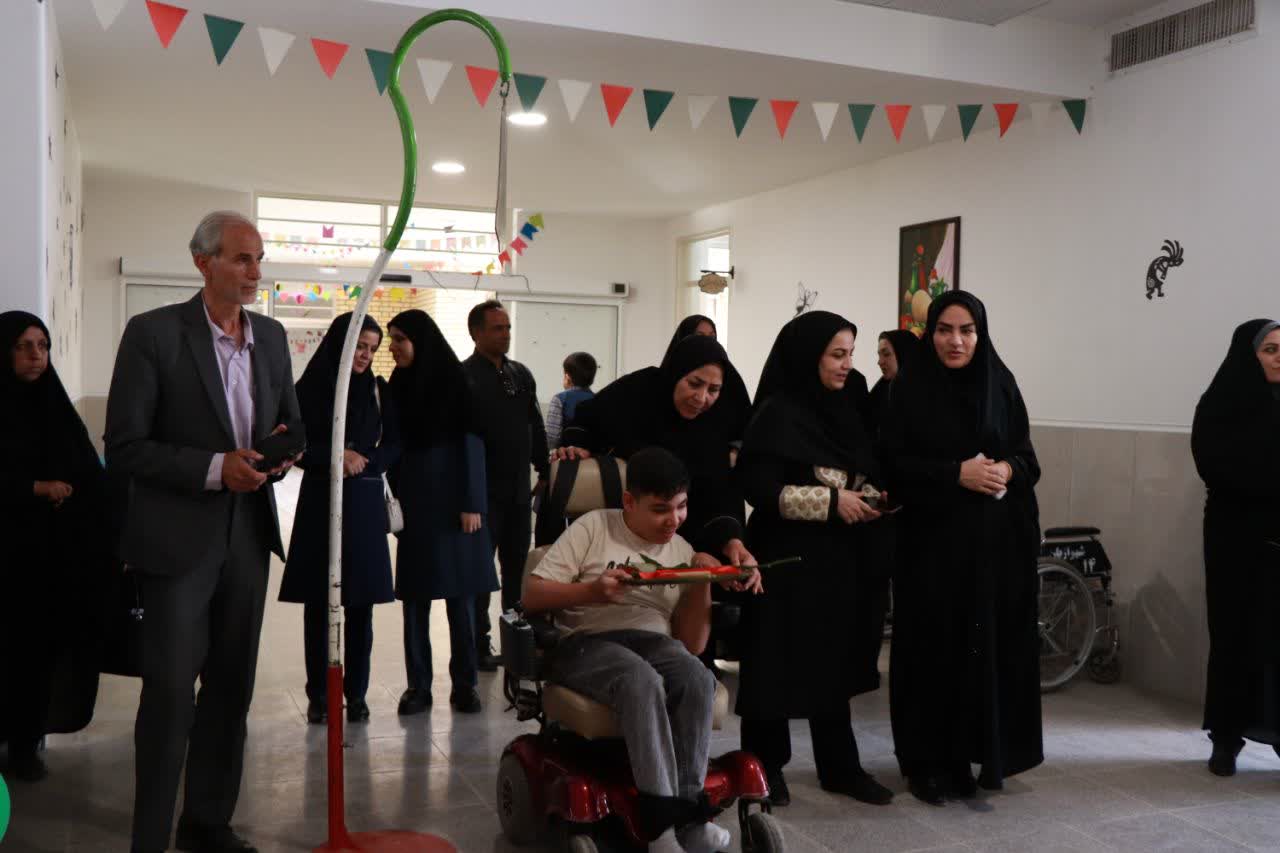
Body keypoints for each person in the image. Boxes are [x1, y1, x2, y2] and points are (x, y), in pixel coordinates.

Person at [105, 211, 301, 853]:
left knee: (231, 687)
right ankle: (150, 837)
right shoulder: (154, 334)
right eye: (242, 258)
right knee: (169, 693)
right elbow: (125, 446)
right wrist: (218, 468)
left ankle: (208, 822)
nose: (255, 272)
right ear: (203, 262)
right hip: (176, 540)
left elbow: (290, 421)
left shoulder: (271, 337)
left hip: (248, 536)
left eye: (259, 259)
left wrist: (281, 453)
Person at [524, 447, 760, 853]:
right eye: (660, 509)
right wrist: (591, 592)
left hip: (653, 642)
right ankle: (660, 828)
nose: (674, 520)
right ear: (629, 502)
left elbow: (691, 646)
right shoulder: (593, 527)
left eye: (681, 507)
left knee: (697, 678)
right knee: (640, 679)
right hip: (585, 642)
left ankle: (691, 818)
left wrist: (701, 581)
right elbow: (532, 594)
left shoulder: (681, 549)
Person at [879, 290, 1043, 805]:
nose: (956, 341)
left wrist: (1006, 470)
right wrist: (956, 474)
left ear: (980, 334)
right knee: (930, 653)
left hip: (989, 550)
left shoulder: (1000, 383)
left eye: (967, 330)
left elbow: (1028, 458)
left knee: (976, 655)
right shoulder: (909, 391)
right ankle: (923, 763)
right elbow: (893, 468)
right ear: (930, 334)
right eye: (945, 330)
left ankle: (966, 757)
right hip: (929, 549)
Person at [734, 311, 894, 808]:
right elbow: (759, 488)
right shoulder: (777, 412)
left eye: (851, 354)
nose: (848, 365)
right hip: (783, 558)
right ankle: (765, 768)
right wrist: (829, 502)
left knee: (832, 661)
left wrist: (870, 496)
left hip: (838, 559)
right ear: (809, 357)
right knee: (774, 663)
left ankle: (840, 767)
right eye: (837, 355)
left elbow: (860, 468)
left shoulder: (847, 407)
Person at [0, 312, 113, 783]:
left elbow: (86, 469)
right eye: (23, 346)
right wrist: (34, 488)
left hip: (49, 561)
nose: (36, 355)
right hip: (6, 557)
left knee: (37, 655)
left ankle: (25, 746)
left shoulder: (55, 408)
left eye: (43, 346)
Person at [279, 313, 399, 726]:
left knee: (361, 606)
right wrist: (335, 457)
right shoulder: (308, 389)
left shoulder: (378, 390)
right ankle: (320, 695)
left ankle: (357, 694)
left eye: (371, 349)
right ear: (340, 343)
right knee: (319, 605)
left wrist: (364, 461)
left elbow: (395, 443)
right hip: (320, 501)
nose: (364, 355)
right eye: (359, 346)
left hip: (363, 501)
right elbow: (294, 448)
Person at [558, 335, 755, 567]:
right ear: (676, 373)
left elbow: (718, 493)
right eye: (694, 383)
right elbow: (587, 417)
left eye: (714, 389)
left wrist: (732, 541)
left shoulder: (715, 425)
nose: (702, 398)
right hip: (622, 543)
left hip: (690, 547)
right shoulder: (639, 391)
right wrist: (577, 444)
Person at [388, 309, 497, 714]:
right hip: (415, 505)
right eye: (392, 339)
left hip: (455, 508)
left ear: (421, 341)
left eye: (400, 339)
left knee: (460, 600)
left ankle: (465, 684)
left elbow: (472, 445)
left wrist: (472, 503)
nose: (394, 347)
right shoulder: (399, 385)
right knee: (415, 599)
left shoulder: (455, 383)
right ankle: (418, 686)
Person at [1191, 318, 1280, 776]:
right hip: (1235, 539)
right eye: (1270, 349)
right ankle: (1226, 738)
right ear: (1248, 354)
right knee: (1233, 636)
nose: (1279, 358)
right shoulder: (1220, 403)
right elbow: (1215, 465)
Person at [462, 300, 549, 671]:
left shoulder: (520, 374)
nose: (506, 334)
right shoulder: (464, 377)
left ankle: (516, 643)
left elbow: (535, 424)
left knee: (516, 570)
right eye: (497, 328)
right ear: (476, 333)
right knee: (481, 574)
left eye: (508, 327)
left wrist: (544, 469)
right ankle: (477, 644)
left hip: (517, 491)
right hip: (482, 494)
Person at [664, 315, 752, 446]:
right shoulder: (652, 385)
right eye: (694, 384)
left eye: (711, 337)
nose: (701, 398)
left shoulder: (728, 382)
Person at [867, 330, 922, 437]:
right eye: (879, 355)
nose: (880, 362)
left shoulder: (927, 396)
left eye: (886, 354)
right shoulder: (880, 393)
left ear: (905, 354)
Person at [544, 351, 597, 451]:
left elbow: (552, 439)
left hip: (567, 457)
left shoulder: (559, 399)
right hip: (593, 457)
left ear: (567, 376)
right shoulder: (598, 399)